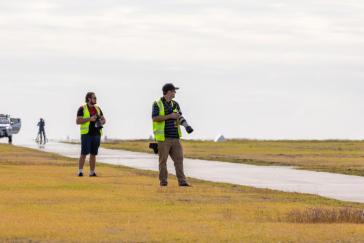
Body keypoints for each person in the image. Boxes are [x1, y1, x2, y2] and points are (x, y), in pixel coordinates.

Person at [152, 83, 192, 187]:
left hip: (175, 138)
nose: (175, 93)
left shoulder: (176, 104)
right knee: (163, 161)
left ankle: (182, 182)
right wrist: (170, 116)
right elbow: (155, 118)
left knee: (179, 160)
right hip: (163, 138)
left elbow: (179, 117)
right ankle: (163, 182)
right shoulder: (157, 103)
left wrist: (186, 126)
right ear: (169, 92)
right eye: (174, 91)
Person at [76, 92, 106, 177]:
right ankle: (80, 171)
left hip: (97, 134)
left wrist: (101, 121)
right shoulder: (82, 108)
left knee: (93, 153)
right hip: (86, 134)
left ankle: (92, 172)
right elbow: (78, 121)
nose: (96, 99)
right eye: (94, 98)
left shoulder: (98, 108)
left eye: (95, 98)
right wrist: (90, 119)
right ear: (89, 99)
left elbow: (104, 120)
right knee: (84, 153)